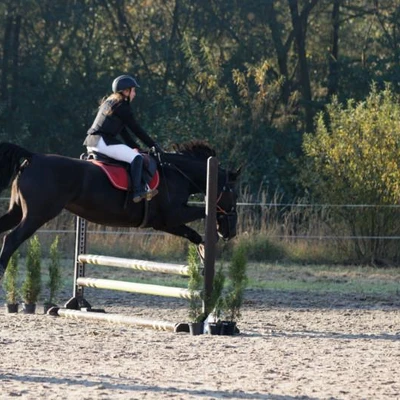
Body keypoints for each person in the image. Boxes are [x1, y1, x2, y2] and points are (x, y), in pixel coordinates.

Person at [84, 74, 162, 202]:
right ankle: (137, 191)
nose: (134, 94)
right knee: (137, 158)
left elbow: (124, 132)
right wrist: (153, 145)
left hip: (93, 142)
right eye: (133, 90)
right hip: (102, 142)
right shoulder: (122, 106)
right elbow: (136, 130)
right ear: (126, 91)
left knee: (134, 153)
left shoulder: (110, 102)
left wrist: (136, 147)